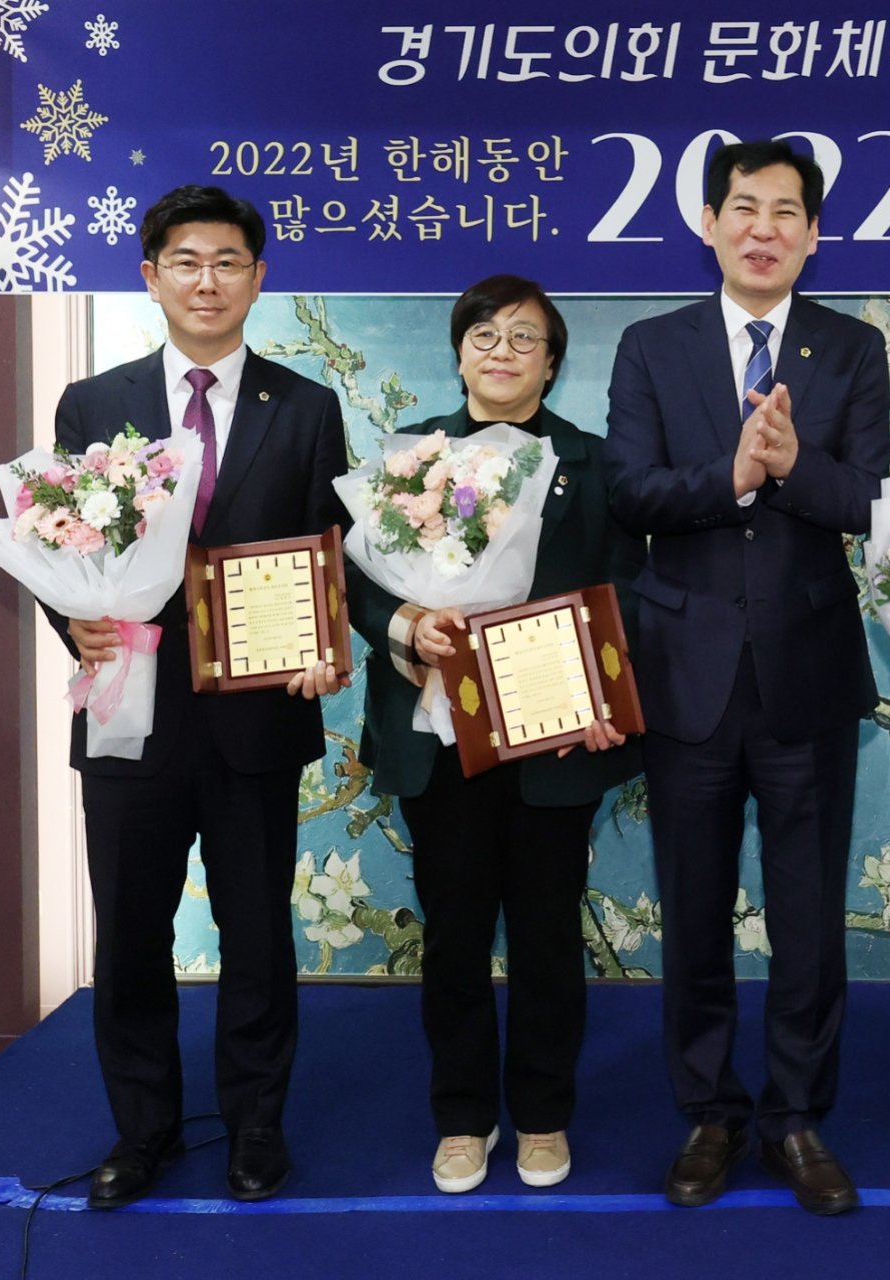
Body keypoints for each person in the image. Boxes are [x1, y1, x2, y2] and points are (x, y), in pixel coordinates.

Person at [49, 185, 350, 1207]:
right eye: (186, 260)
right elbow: (58, 537)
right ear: (151, 276)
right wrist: (74, 623)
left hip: (258, 714)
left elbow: (328, 551)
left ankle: (256, 1126)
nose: (206, 280)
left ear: (258, 279)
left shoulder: (305, 407)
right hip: (130, 710)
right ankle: (142, 1131)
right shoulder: (94, 403)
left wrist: (324, 645)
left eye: (227, 262)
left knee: (258, 934)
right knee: (131, 934)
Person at [604, 139, 890, 1215]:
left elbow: (867, 498)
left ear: (813, 235)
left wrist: (792, 466)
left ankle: (796, 1114)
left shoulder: (850, 347)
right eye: (743, 207)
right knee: (692, 908)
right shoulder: (651, 345)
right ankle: (711, 1111)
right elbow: (629, 490)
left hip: (805, 673)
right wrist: (726, 476)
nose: (762, 228)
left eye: (784, 212)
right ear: (709, 225)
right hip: (685, 674)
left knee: (807, 912)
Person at [346, 275, 644, 1193]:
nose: (501, 351)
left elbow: (627, 593)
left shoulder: (595, 465)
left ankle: (543, 1115)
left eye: (523, 337)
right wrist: (408, 625)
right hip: (437, 733)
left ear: (551, 364)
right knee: (454, 935)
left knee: (549, 934)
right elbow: (356, 581)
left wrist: (606, 694)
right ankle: (463, 1118)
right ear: (458, 353)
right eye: (484, 334)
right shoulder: (408, 458)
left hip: (552, 737)